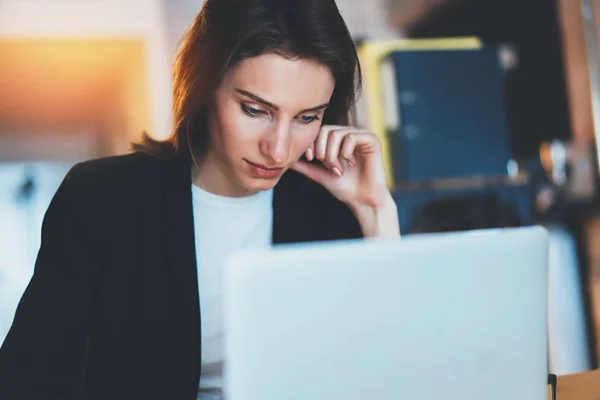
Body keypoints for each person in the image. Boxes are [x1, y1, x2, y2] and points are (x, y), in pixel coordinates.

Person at [0, 0, 400, 399]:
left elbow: (388, 373)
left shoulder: (332, 212)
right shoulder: (102, 198)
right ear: (206, 86)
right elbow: (29, 375)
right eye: (255, 109)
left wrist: (375, 213)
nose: (278, 150)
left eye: (307, 117)